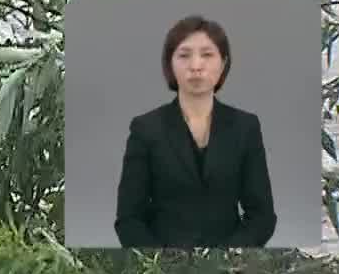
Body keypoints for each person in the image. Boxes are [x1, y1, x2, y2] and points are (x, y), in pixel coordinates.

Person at [113, 15, 277, 248]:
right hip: (163, 270)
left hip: (232, 270)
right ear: (169, 63)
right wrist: (161, 264)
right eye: (184, 55)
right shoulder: (146, 129)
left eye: (207, 55)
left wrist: (228, 258)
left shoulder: (245, 127)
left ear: (223, 63)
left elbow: (262, 217)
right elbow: (129, 220)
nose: (196, 66)